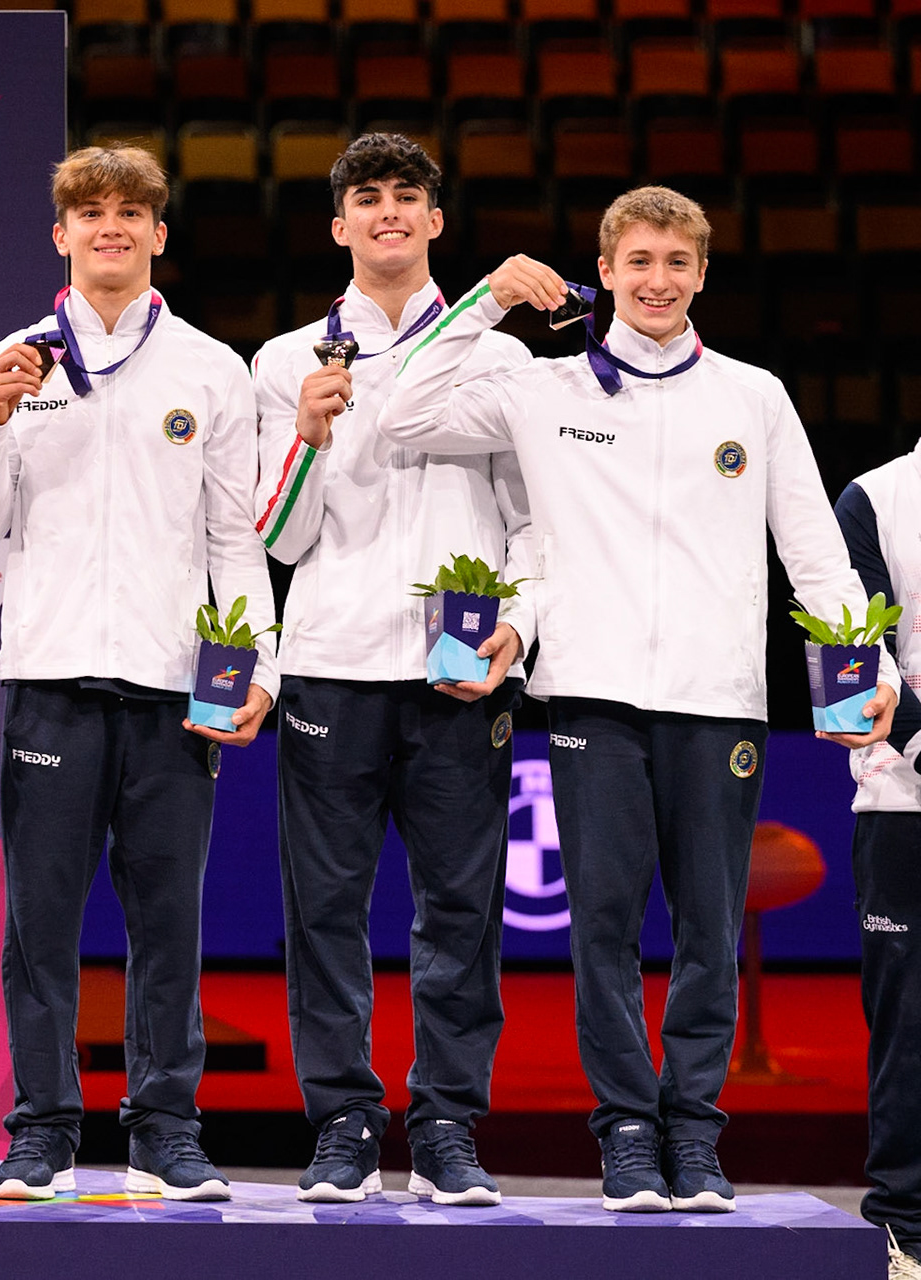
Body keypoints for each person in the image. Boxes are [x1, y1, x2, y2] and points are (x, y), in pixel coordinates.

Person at [379, 186, 896, 1213]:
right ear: (604, 271)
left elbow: (817, 556)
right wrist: (482, 303)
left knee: (708, 926)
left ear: (702, 274)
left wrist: (866, 664)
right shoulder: (545, 386)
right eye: (639, 261)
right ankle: (625, 1130)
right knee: (605, 927)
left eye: (676, 262)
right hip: (591, 699)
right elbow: (401, 410)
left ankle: (694, 1136)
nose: (657, 280)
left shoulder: (753, 396)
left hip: (718, 701)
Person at [0, 144, 277, 1202]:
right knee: (39, 921)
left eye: (129, 212)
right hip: (50, 677)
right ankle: (42, 1125)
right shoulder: (12, 359)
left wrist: (255, 666)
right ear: (59, 234)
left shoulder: (209, 370)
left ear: (158, 234)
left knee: (167, 920)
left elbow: (236, 540)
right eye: (89, 212)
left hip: (172, 681)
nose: (110, 227)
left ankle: (164, 1123)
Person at [252, 133, 533, 1206]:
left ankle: (450, 1119)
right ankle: (342, 1121)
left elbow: (529, 517)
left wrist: (517, 633)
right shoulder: (286, 362)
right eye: (365, 199)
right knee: (324, 908)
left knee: (459, 907)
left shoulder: (501, 354)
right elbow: (275, 541)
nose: (386, 213)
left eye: (406, 198)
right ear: (338, 226)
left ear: (435, 221)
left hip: (460, 675)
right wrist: (309, 441)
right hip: (331, 666)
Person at [829, 449, 921, 1278]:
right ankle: (906, 1229)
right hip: (905, 804)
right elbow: (850, 645)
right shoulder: (876, 499)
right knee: (909, 1027)